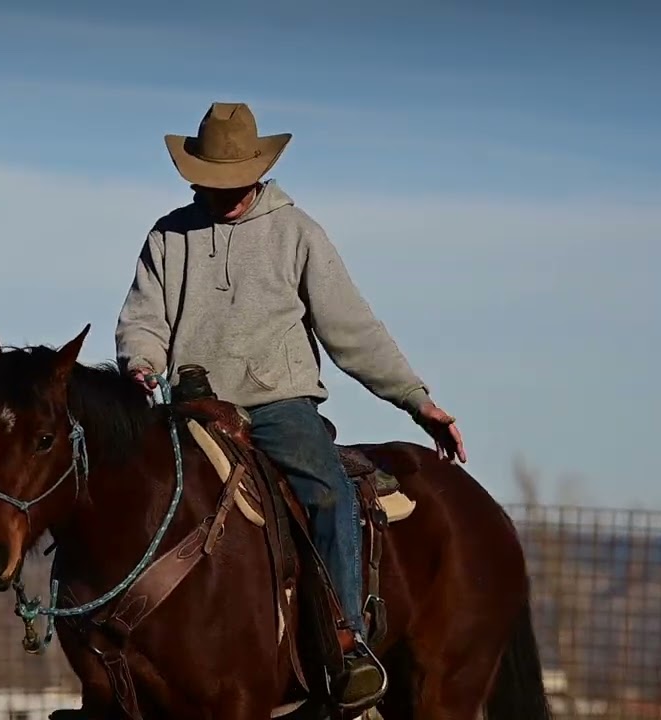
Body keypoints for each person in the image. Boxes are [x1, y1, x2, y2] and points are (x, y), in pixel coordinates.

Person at [114, 101, 466, 710]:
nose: (220, 193)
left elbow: (350, 327)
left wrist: (416, 400)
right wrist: (141, 362)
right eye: (209, 180)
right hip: (190, 406)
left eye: (232, 181)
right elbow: (143, 319)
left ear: (257, 172)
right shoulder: (168, 235)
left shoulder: (297, 232)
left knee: (326, 491)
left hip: (279, 404)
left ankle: (347, 643)